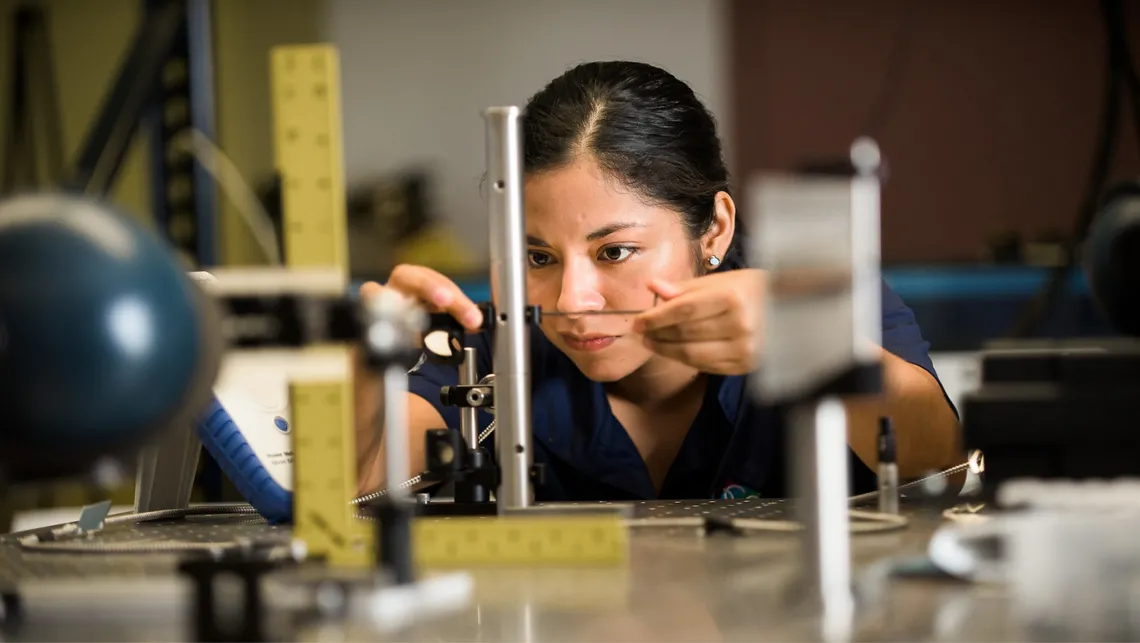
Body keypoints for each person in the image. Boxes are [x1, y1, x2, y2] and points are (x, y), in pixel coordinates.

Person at [355, 61, 960, 501]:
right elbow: (360, 484)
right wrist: (365, 364)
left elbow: (943, 464)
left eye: (615, 251)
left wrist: (808, 344)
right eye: (538, 257)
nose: (572, 300)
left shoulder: (815, 299)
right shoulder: (489, 346)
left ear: (715, 230)